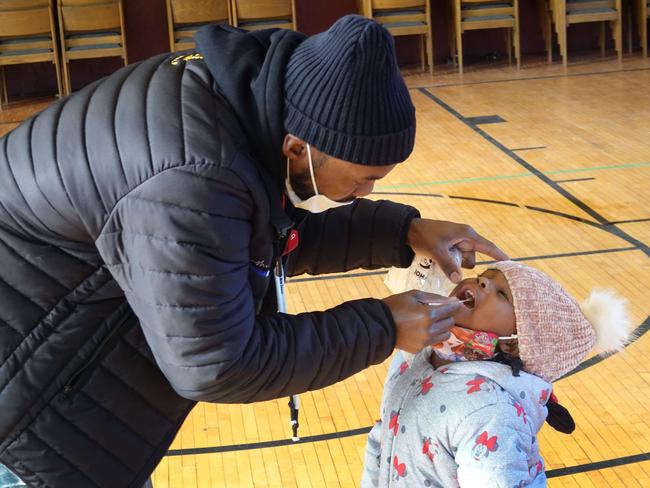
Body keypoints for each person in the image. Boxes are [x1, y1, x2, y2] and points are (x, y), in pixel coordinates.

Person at [0, 15, 507, 487]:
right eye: (363, 179)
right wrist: (382, 326)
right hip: (24, 409)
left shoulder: (238, 110)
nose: (368, 192)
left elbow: (248, 238)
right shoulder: (192, 175)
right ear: (297, 148)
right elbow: (217, 361)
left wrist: (403, 232)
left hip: (64, 367)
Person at [361, 261, 630, 487]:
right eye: (482, 277)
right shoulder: (412, 356)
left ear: (514, 341)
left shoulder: (490, 410)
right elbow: (382, 437)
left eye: (502, 294)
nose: (482, 283)